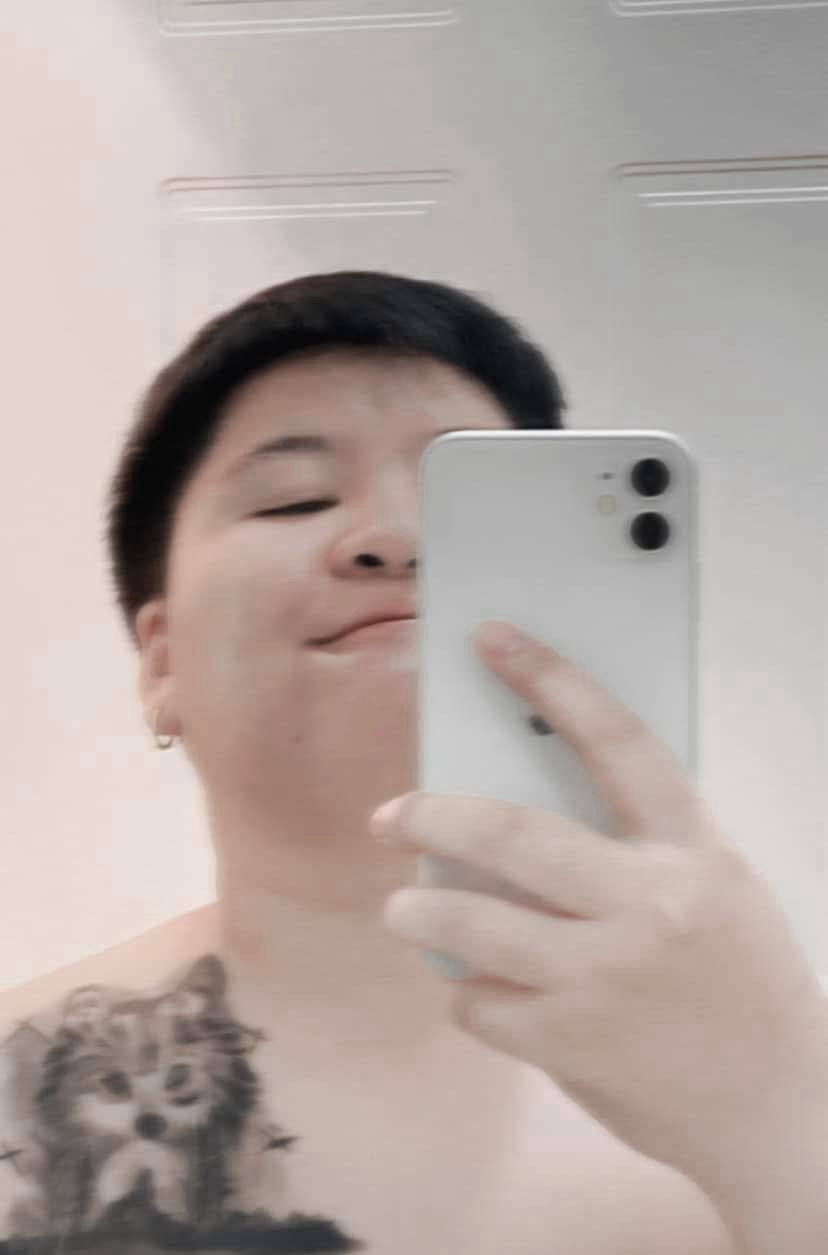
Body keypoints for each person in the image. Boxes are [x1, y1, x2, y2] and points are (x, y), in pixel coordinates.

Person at [0, 271, 824, 1254]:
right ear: (162, 661)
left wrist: (783, 1123)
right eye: (296, 499)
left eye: (464, 500)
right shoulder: (25, 1091)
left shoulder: (772, 1082)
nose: (393, 540)